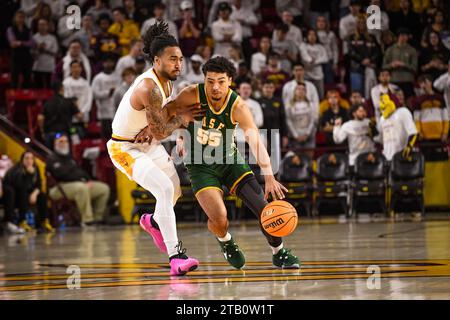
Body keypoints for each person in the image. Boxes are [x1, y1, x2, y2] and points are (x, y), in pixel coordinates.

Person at [172, 56, 300, 270]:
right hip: (200, 165)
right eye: (210, 81)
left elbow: (256, 141)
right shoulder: (190, 94)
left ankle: (279, 253)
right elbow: (171, 114)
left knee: (267, 210)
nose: (215, 87)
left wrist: (269, 176)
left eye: (221, 81)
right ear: (204, 79)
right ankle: (225, 241)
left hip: (230, 160)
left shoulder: (238, 106)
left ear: (230, 80)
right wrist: (180, 134)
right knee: (220, 218)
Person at [106, 22, 202, 276]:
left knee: (174, 193)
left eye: (180, 59)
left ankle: (155, 222)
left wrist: (177, 131)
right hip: (125, 148)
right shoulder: (148, 87)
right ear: (157, 60)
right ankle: (176, 256)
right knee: (164, 188)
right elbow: (163, 127)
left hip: (149, 143)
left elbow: (167, 115)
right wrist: (177, 123)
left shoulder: (167, 83)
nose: (178, 65)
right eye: (173, 60)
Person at [47, 134, 110, 225]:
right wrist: (80, 178)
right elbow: (62, 175)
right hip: (59, 188)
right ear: (55, 144)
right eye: (61, 141)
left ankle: (98, 218)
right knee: (81, 188)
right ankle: (87, 220)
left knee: (104, 189)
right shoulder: (52, 158)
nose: (64, 143)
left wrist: (88, 180)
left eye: (66, 141)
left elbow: (80, 172)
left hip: (78, 184)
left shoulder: (69, 158)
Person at [2, 151, 54, 233]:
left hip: (28, 194)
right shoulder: (17, 170)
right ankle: (22, 221)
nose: (29, 161)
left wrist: (34, 194)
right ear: (22, 160)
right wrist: (28, 174)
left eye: (31, 158)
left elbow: (39, 185)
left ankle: (44, 222)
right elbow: (21, 186)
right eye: (26, 158)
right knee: (23, 193)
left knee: (42, 196)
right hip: (15, 195)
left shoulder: (36, 169)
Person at [37, 81, 82, 149]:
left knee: (50, 155)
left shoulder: (47, 103)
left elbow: (40, 118)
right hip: (64, 134)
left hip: (50, 133)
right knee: (64, 155)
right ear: (62, 88)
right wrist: (77, 106)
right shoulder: (68, 102)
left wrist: (42, 131)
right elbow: (79, 116)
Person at [376, 93, 418, 161]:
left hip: (402, 157)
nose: (381, 105)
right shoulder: (382, 119)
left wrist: (409, 147)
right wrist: (373, 132)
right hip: (387, 159)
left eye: (383, 101)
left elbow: (413, 133)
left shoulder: (403, 112)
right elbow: (379, 139)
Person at [382, 28, 418, 99]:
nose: (403, 37)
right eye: (401, 35)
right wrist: (391, 65)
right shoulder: (390, 50)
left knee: (409, 101)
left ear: (408, 37)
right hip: (394, 80)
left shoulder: (412, 50)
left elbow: (415, 67)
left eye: (405, 36)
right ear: (397, 37)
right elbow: (383, 66)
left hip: (407, 80)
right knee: (393, 100)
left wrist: (404, 65)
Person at [285, 83, 317, 159]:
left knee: (308, 159)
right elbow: (288, 121)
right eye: (298, 89)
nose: (300, 91)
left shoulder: (311, 105)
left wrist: (307, 134)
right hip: (294, 136)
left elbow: (313, 120)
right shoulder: (289, 105)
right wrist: (296, 135)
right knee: (295, 159)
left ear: (306, 92)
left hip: (308, 135)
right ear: (294, 91)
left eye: (303, 89)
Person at [92, 54, 120, 139]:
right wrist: (108, 93)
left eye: (110, 62)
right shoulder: (98, 78)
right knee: (106, 137)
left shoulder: (117, 77)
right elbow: (95, 93)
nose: (109, 64)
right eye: (107, 62)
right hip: (104, 112)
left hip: (117, 111)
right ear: (103, 64)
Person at [7, 10, 33, 88]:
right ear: (15, 18)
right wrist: (25, 43)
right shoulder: (10, 29)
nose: (20, 19)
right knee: (14, 79)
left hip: (27, 57)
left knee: (27, 79)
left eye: (22, 17)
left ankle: (26, 98)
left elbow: (32, 43)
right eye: (19, 17)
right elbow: (13, 44)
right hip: (16, 57)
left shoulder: (28, 30)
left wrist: (20, 43)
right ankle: (14, 99)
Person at [32, 18, 58, 89]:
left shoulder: (52, 38)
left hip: (49, 67)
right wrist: (38, 49)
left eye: (44, 24)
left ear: (47, 26)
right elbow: (31, 54)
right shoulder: (34, 38)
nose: (42, 26)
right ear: (37, 26)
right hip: (37, 67)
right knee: (38, 89)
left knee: (50, 89)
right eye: (40, 25)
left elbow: (55, 53)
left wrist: (44, 49)